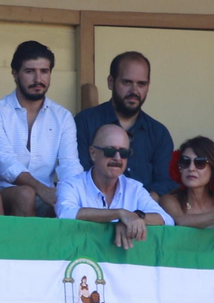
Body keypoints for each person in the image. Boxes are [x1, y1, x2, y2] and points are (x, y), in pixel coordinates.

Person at [0, 40, 81, 217]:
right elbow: (6, 163)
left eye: (44, 71)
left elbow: (69, 164)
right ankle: (26, 245)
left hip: (46, 196)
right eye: (29, 71)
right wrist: (41, 189)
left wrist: (74, 195)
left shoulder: (63, 117)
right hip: (3, 194)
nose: (38, 79)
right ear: (15, 73)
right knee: (26, 194)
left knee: (68, 201)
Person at [74, 50, 176, 195]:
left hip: (142, 212)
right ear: (111, 82)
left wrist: (142, 205)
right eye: (127, 82)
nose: (134, 91)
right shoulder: (85, 122)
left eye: (141, 84)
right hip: (94, 208)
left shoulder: (159, 133)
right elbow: (77, 174)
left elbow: (165, 182)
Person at [56, 123, 174, 248]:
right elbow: (66, 214)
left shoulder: (135, 188)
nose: (117, 158)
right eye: (110, 151)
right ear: (93, 153)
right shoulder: (70, 185)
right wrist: (119, 214)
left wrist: (133, 218)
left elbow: (166, 219)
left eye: (123, 153)